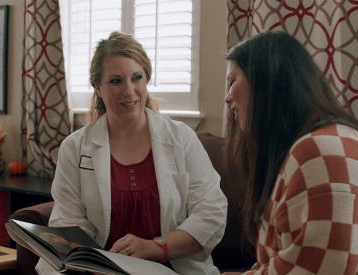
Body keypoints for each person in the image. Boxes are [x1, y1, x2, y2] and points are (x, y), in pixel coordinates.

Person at [36, 31, 227, 275]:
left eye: (136, 78)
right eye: (116, 81)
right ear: (98, 88)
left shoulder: (181, 138)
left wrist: (157, 248)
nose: (129, 91)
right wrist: (88, 261)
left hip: (172, 268)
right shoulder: (74, 148)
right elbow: (68, 222)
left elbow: (211, 212)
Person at [223, 31, 358, 274]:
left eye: (233, 81)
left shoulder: (323, 151)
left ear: (266, 82)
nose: (228, 98)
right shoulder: (310, 146)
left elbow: (320, 268)